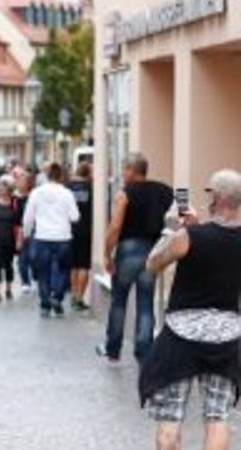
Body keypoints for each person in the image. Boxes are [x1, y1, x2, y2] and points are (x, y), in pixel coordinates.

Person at [139, 170, 241, 450]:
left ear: (215, 197)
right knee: (217, 416)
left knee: (171, 417)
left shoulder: (189, 236)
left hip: (181, 336)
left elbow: (152, 264)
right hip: (226, 335)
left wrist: (172, 229)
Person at [97, 153, 173, 363]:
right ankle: (144, 352)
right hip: (153, 251)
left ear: (131, 170)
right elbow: (184, 213)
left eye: (123, 169)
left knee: (119, 301)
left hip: (129, 250)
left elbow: (115, 226)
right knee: (146, 302)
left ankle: (113, 349)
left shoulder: (124, 194)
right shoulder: (165, 190)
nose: (122, 174)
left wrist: (107, 254)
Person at [22, 162, 80, 317]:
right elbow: (75, 217)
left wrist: (27, 234)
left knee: (43, 272)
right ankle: (57, 297)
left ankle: (45, 305)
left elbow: (28, 217)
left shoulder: (36, 193)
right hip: (62, 237)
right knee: (61, 270)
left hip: (42, 237)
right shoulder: (67, 193)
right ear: (61, 176)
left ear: (47, 176)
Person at [67, 162, 93, 311]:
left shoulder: (68, 187)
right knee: (84, 264)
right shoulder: (91, 188)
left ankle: (73, 294)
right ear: (88, 173)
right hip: (86, 229)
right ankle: (79, 298)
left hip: (70, 229)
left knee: (73, 265)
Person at [14, 170, 35, 294]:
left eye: (23, 181)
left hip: (33, 230)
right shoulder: (15, 198)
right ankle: (25, 282)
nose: (20, 184)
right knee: (22, 258)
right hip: (19, 230)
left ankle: (35, 276)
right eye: (19, 181)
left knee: (34, 257)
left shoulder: (33, 196)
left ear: (29, 184)